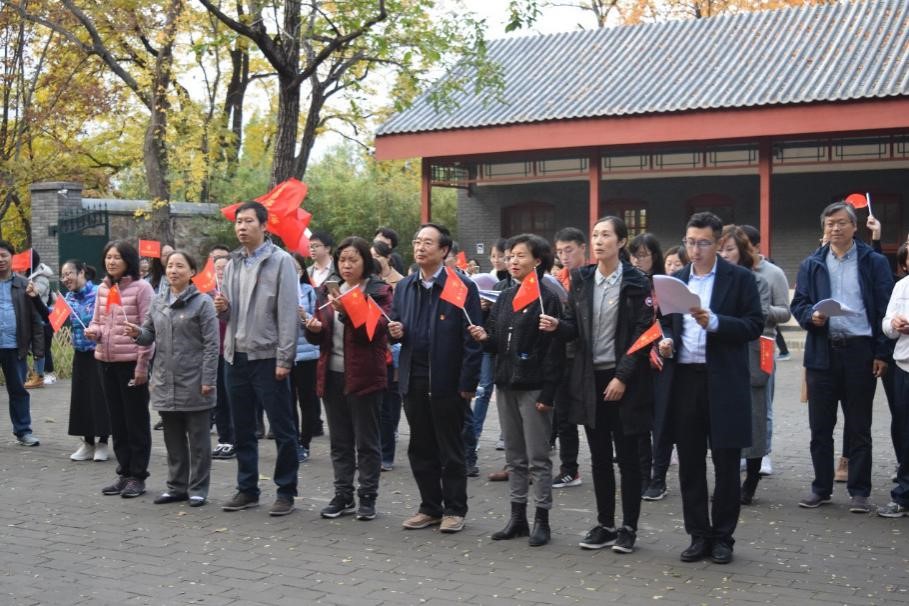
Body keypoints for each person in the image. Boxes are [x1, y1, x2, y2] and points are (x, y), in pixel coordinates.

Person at [656, 212, 763, 564]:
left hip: (724, 380)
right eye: (690, 242)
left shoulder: (739, 278)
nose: (695, 249)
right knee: (689, 462)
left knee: (726, 462)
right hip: (685, 378)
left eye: (703, 243)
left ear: (718, 243)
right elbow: (664, 322)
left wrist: (715, 322)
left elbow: (753, 324)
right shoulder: (676, 280)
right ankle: (698, 535)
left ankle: (723, 538)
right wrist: (666, 340)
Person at [790, 201, 893, 513]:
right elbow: (799, 303)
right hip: (822, 351)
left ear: (854, 226)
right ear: (824, 228)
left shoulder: (873, 262)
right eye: (830, 223)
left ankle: (859, 491)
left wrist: (882, 352)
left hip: (860, 351)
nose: (835, 228)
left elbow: (884, 308)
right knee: (820, 426)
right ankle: (820, 488)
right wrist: (811, 316)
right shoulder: (812, 263)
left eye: (841, 223)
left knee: (859, 425)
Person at [468, 233, 563, 547]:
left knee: (538, 458)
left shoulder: (547, 298)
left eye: (520, 255)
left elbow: (554, 351)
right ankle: (517, 517)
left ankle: (542, 520)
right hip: (506, 383)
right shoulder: (506, 295)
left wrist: (548, 393)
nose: (513, 261)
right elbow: (496, 341)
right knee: (514, 457)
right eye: (510, 256)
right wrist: (483, 336)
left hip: (534, 387)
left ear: (538, 261)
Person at [388, 223, 482, 534]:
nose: (420, 247)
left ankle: (455, 509)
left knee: (450, 448)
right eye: (417, 242)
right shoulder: (405, 286)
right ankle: (429, 507)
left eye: (428, 242)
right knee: (420, 446)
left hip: (447, 380)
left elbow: (472, 339)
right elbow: (396, 326)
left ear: (444, 250)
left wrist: (467, 383)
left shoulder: (460, 286)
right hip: (413, 376)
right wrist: (395, 331)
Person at [213, 201, 300, 517]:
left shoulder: (281, 261)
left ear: (264, 226)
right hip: (235, 356)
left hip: (268, 356)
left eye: (248, 221)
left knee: (283, 428)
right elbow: (230, 313)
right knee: (242, 428)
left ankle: (286, 491)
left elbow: (288, 313)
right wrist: (223, 309)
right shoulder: (233, 263)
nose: (241, 227)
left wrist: (285, 358)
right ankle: (247, 488)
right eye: (238, 222)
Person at [305, 237, 392, 521]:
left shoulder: (379, 291)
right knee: (340, 441)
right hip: (332, 375)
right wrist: (313, 329)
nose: (347, 265)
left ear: (365, 262)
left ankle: (367, 497)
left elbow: (375, 332)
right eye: (342, 260)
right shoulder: (329, 291)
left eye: (353, 260)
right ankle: (343, 495)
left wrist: (349, 312)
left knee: (366, 442)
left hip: (365, 375)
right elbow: (321, 336)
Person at [125, 250, 219, 507]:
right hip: (165, 380)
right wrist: (137, 333)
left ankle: (198, 489)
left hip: (195, 380)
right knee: (173, 440)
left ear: (192, 272)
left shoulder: (203, 303)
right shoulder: (159, 301)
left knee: (198, 441)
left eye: (180, 266)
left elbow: (212, 345)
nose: (173, 271)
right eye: (170, 266)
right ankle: (177, 487)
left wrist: (208, 379)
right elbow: (148, 335)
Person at [86, 240, 156, 497]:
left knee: (135, 420)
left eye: (117, 257)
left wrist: (142, 366)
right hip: (106, 362)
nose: (112, 261)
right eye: (108, 257)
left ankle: (138, 475)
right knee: (117, 421)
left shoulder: (142, 288)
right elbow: (98, 321)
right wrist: (94, 332)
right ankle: (124, 472)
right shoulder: (103, 288)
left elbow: (149, 330)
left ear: (129, 261)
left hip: (131, 364)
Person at [717, 226, 772, 504]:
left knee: (756, 416)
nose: (724, 255)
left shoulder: (756, 280)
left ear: (742, 251)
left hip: (754, 351)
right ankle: (724, 481)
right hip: (722, 353)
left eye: (730, 249)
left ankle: (751, 479)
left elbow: (757, 316)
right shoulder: (713, 280)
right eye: (720, 250)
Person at [740, 224, 791, 476]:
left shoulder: (773, 273)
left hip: (764, 342)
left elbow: (785, 312)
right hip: (739, 343)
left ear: (757, 246)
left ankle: (764, 453)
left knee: (763, 404)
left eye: (745, 247)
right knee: (741, 403)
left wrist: (759, 309)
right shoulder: (735, 272)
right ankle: (743, 452)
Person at [628, 232, 666, 496]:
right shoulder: (629, 284)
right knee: (640, 423)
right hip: (637, 358)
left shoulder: (664, 284)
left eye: (643, 255)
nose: (637, 261)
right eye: (634, 256)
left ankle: (658, 477)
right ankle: (642, 475)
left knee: (661, 423)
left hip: (662, 358)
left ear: (655, 256)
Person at [550, 227, 588, 490]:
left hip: (589, 355)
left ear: (582, 248)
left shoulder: (591, 277)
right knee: (563, 415)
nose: (564, 256)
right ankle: (569, 469)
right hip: (563, 353)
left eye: (569, 250)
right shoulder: (557, 280)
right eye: (560, 251)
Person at [61, 260, 110, 461]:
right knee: (82, 399)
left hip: (99, 352)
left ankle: (103, 442)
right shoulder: (68, 298)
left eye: (69, 274)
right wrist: (36, 298)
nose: (66, 279)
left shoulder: (99, 292)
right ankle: (88, 443)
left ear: (81, 272)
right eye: (63, 276)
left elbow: (111, 319)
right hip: (80, 354)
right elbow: (53, 319)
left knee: (100, 398)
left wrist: (98, 332)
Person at [0, 241, 43, 446]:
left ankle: (23, 431)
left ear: (12, 258)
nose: (0, 260)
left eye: (4, 255)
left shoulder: (25, 284)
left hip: (14, 346)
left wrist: (38, 350)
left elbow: (35, 319)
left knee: (18, 390)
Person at [879, 263, 909, 517]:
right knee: (905, 431)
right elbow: (886, 326)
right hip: (904, 366)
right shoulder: (901, 286)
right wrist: (894, 324)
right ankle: (903, 494)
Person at [371, 241, 404, 471]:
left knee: (387, 407)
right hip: (369, 356)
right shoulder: (356, 289)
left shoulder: (395, 286)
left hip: (391, 351)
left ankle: (386, 454)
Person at [291, 254, 319, 463]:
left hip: (307, 354)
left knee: (307, 400)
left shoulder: (309, 292)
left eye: (296, 269)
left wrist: (303, 316)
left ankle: (305, 442)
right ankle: (291, 441)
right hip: (284, 354)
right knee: (287, 401)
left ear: (302, 271)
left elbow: (317, 321)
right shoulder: (277, 290)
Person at [210, 254, 235, 460]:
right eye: (217, 267)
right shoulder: (208, 294)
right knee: (218, 398)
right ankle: (224, 438)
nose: (220, 271)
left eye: (224, 267)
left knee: (232, 397)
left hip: (232, 350)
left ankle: (235, 439)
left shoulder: (235, 291)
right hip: (214, 351)